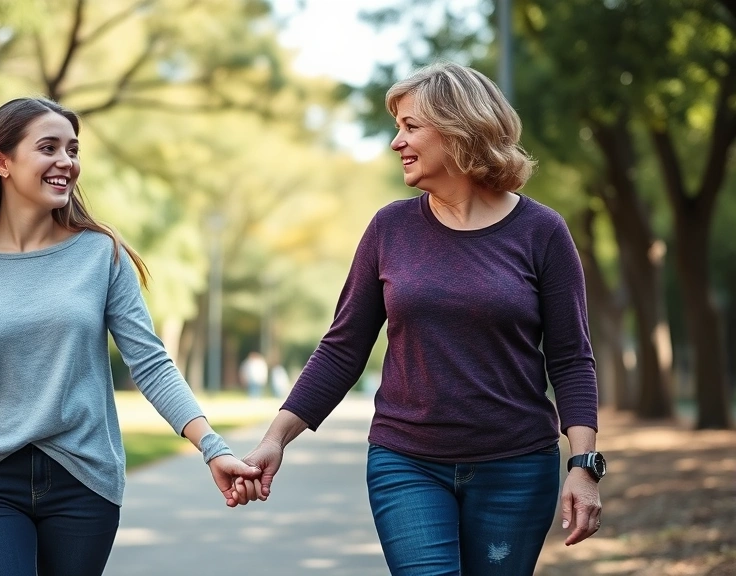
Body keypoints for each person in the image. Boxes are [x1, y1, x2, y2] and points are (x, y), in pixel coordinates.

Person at [240, 62, 605, 575]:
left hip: (517, 466)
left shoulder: (542, 232)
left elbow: (571, 359)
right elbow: (342, 348)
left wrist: (584, 465)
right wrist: (274, 439)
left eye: (410, 126)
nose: (396, 142)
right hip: (406, 461)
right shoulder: (390, 229)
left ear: (458, 130)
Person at [0, 97, 261, 576]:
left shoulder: (101, 254)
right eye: (49, 147)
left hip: (84, 481)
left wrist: (214, 447)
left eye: (73, 149)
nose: (67, 161)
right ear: (0, 162)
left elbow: (149, 363)